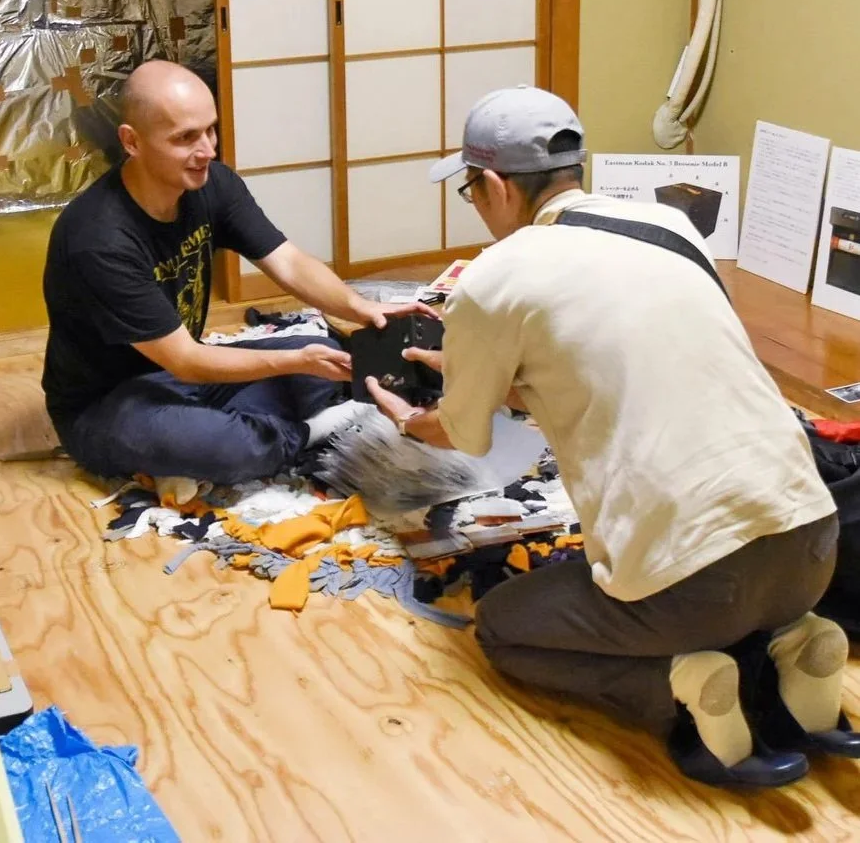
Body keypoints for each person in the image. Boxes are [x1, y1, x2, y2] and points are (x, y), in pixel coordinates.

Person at [366, 85, 854, 788]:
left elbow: (462, 435)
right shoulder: (671, 226)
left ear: (496, 186)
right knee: (738, 584)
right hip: (812, 545)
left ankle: (678, 683)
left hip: (698, 584)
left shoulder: (495, 276)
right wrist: (493, 375)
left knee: (501, 629)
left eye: (471, 190)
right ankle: (796, 644)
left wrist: (409, 418)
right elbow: (621, 358)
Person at [42, 60, 420, 489]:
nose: (207, 150)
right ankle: (305, 433)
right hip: (107, 404)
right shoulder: (98, 238)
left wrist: (360, 307)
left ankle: (211, 438)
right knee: (235, 445)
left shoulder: (212, 184)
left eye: (211, 130)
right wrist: (293, 361)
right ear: (132, 141)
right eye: (186, 138)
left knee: (324, 357)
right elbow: (186, 360)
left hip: (185, 376)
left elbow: (287, 261)